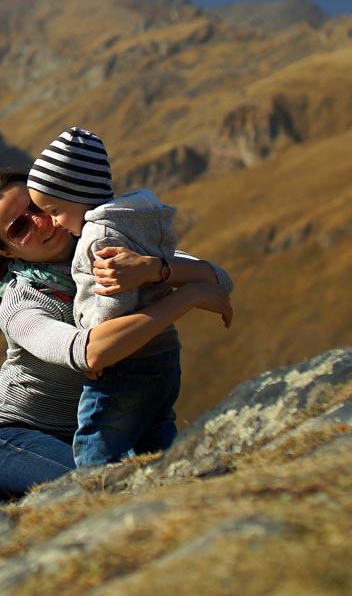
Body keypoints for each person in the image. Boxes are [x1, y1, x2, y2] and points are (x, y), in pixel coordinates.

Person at [0, 166, 233, 504]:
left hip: (89, 434)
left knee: (163, 485)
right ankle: (4, 495)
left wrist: (152, 269)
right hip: (7, 436)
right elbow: (89, 354)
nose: (40, 222)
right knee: (103, 489)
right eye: (19, 228)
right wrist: (187, 297)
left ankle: (19, 495)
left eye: (36, 206)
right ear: (6, 252)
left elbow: (218, 279)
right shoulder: (20, 304)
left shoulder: (103, 246)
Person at [26, 126, 205, 466]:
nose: (54, 222)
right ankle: (171, 485)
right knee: (155, 432)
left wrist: (94, 338)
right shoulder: (135, 221)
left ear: (78, 194)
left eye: (54, 210)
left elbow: (112, 301)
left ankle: (97, 495)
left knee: (97, 440)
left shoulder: (99, 237)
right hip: (164, 352)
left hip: (125, 361)